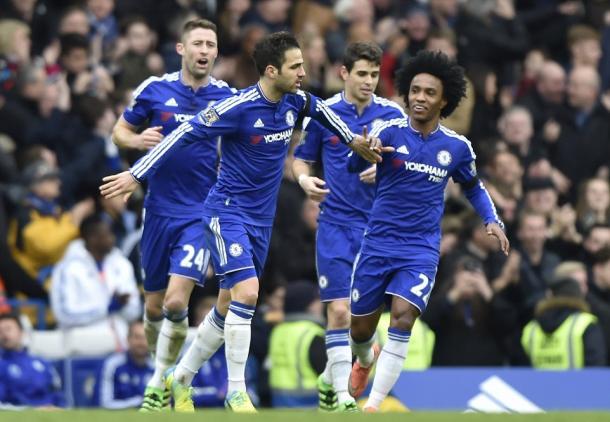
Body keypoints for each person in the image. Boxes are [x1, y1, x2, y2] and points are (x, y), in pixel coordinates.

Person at [100, 31, 381, 413]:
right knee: (247, 294)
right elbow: (182, 133)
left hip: (260, 221)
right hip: (225, 211)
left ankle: (179, 377)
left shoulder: (295, 100)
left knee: (226, 305)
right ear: (271, 70)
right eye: (296, 66)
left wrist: (353, 141)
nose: (303, 71)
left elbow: (324, 112)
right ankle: (237, 391)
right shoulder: (237, 107)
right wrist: (137, 173)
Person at [346, 50, 509, 412]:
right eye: (415, 90)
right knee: (359, 329)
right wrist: (363, 150)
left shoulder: (456, 147)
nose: (420, 97)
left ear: (444, 100)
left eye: (429, 93)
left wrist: (491, 220)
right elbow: (352, 164)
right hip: (377, 244)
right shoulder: (387, 131)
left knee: (403, 316)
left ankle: (372, 406)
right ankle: (365, 359)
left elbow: (473, 187)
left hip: (420, 248)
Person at [109, 19, 236, 411]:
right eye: (197, 43)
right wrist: (136, 139)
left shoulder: (227, 97)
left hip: (200, 213)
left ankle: (157, 383)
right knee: (153, 307)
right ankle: (160, 364)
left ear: (216, 53)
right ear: (181, 49)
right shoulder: (154, 89)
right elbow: (118, 133)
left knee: (177, 304)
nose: (204, 50)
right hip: (158, 210)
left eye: (210, 45)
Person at [292, 41, 405, 412]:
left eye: (374, 74)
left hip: (378, 229)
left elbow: (410, 169)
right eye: (362, 74)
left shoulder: (392, 116)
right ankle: (341, 396)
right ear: (344, 73)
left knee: (364, 322)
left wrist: (386, 172)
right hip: (336, 224)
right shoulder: (323, 113)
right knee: (338, 311)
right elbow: (301, 161)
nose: (369, 81)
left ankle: (352, 366)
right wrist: (305, 181)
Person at [50, 214, 141, 345]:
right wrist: (106, 309)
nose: (112, 239)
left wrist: (121, 305)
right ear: (92, 238)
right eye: (107, 235)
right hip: (82, 344)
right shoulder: (67, 268)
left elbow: (134, 310)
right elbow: (64, 315)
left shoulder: (121, 263)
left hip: (121, 341)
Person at [521, 277, 607, 368]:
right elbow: (596, 366)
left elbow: (521, 367)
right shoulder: (585, 323)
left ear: (549, 296)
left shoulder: (531, 328)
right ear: (578, 297)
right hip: (577, 382)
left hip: (538, 382)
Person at [269, 280, 326, 408]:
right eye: (317, 299)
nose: (321, 305)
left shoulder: (277, 330)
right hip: (309, 405)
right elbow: (327, 373)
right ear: (308, 304)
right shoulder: (312, 333)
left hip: (279, 405)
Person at [0, 313, 64, 409]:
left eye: (8, 329)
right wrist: (32, 410)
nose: (4, 334)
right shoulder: (2, 365)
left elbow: (58, 393)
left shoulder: (42, 362)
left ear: (22, 332)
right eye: (0, 331)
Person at [96, 321, 154, 409]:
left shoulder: (157, 368)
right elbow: (104, 404)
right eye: (137, 337)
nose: (141, 343)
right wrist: (137, 403)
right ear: (128, 339)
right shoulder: (112, 365)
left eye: (145, 338)